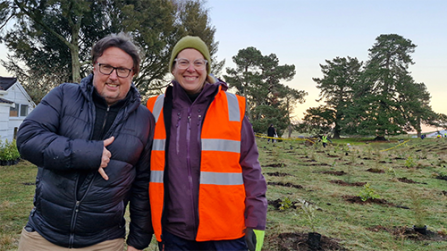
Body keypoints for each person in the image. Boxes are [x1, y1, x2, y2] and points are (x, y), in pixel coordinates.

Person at [16, 33, 154, 251]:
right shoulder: (63, 95)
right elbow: (28, 138)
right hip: (43, 236)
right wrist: (88, 153)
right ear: (94, 67)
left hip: (105, 242)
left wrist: (138, 242)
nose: (113, 76)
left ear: (133, 74)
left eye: (122, 70)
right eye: (106, 67)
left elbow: (143, 185)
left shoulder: (145, 120)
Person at [146, 36, 267, 251]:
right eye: (183, 62)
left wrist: (256, 222)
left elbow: (252, 170)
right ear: (173, 68)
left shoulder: (232, 108)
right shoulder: (154, 109)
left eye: (198, 62)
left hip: (226, 236)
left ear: (207, 68)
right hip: (175, 235)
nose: (190, 69)